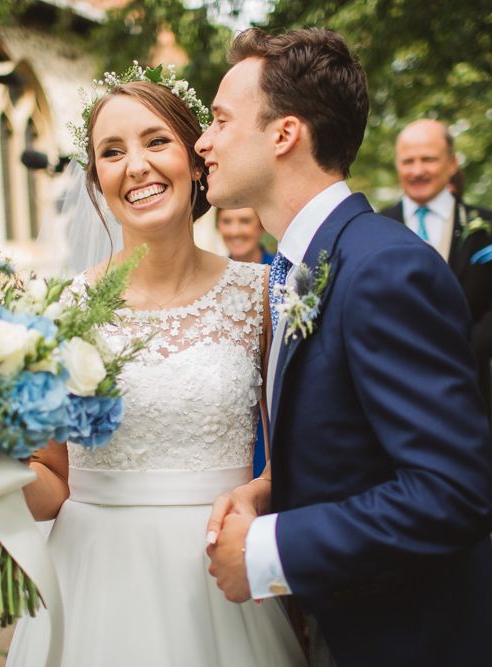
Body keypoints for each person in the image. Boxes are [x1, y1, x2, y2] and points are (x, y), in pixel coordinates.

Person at [197, 27, 492, 667]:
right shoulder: (296, 267)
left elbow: (452, 493)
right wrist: (271, 488)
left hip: (408, 640)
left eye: (220, 120)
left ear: (284, 134)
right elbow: (352, 446)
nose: (203, 141)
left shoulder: (385, 269)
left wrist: (269, 551)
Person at [6, 71, 306, 666]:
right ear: (97, 183)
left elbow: (289, 461)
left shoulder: (261, 296)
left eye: (155, 141)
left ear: (198, 161)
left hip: (221, 573)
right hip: (90, 582)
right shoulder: (60, 310)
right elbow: (51, 482)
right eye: (111, 153)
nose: (135, 165)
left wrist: (257, 497)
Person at [381, 120, 492, 417]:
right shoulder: (374, 226)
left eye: (428, 159)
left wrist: (458, 356)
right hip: (393, 395)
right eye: (408, 161)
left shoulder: (486, 228)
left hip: (472, 395)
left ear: (452, 162)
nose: (418, 171)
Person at [216, 206, 273, 478]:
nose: (235, 230)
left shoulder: (280, 275)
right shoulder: (211, 281)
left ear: (260, 226)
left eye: (244, 221)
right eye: (227, 221)